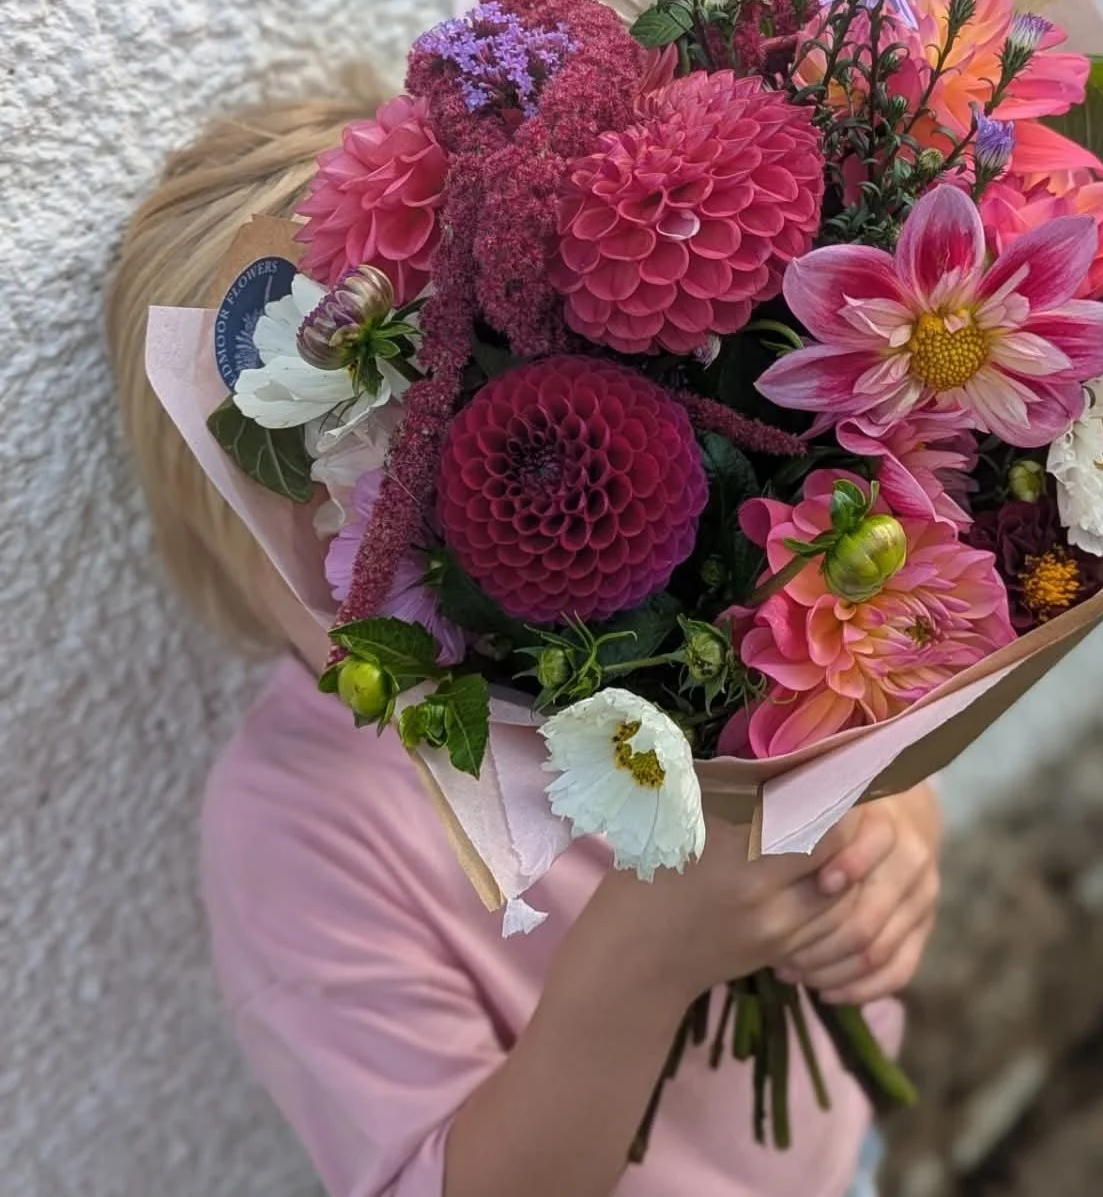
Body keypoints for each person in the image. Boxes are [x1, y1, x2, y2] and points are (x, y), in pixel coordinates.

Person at [106, 78, 944, 1197]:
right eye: (312, 488)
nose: (395, 515)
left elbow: (834, 732)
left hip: (834, 1159)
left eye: (430, 426)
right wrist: (638, 967)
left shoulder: (626, 598)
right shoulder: (292, 831)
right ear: (216, 520)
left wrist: (897, 829)